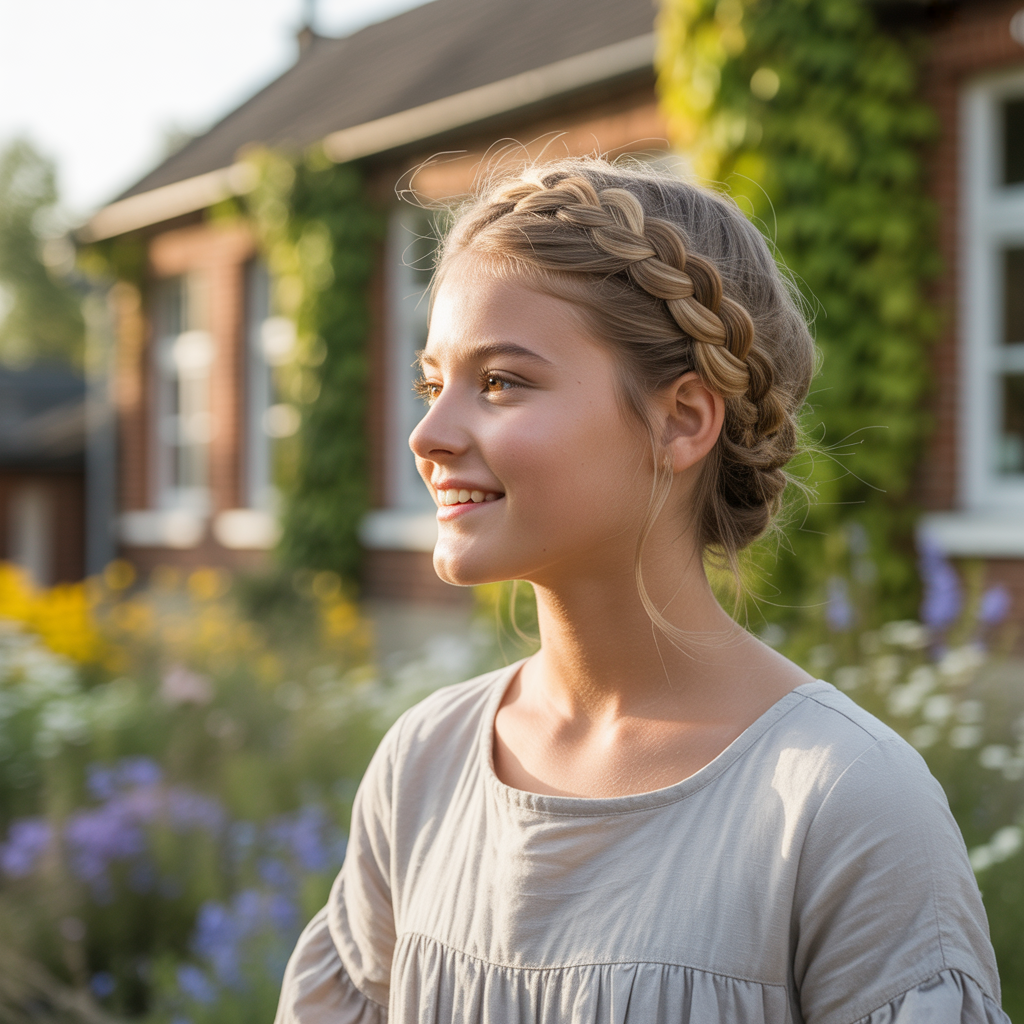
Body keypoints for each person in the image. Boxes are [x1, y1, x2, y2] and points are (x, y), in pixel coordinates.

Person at [275, 158, 1008, 1023]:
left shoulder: (844, 804)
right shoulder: (422, 765)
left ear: (683, 419)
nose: (428, 434)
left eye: (501, 381)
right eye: (433, 384)